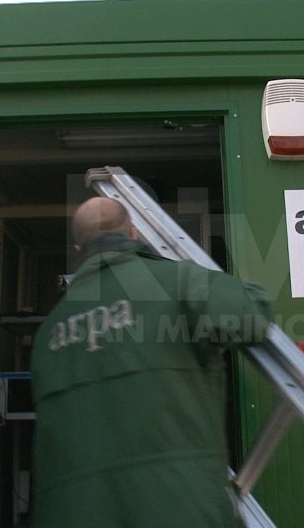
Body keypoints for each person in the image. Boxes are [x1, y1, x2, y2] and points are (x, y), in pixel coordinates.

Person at [30, 196, 271, 527]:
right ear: (132, 234)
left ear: (77, 248)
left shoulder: (48, 334)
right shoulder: (177, 282)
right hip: (181, 509)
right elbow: (247, 314)